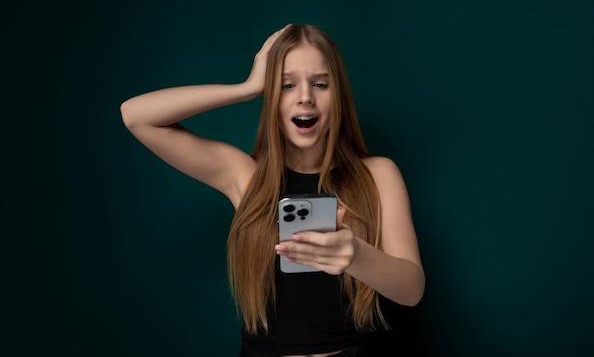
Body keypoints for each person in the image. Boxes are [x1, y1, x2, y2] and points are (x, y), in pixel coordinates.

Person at [120, 24, 425, 357]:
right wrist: (247, 88)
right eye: (287, 85)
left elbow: (411, 289)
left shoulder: (378, 174)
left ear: (339, 94)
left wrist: (356, 255)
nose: (305, 96)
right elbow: (136, 116)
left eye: (320, 84)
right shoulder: (246, 176)